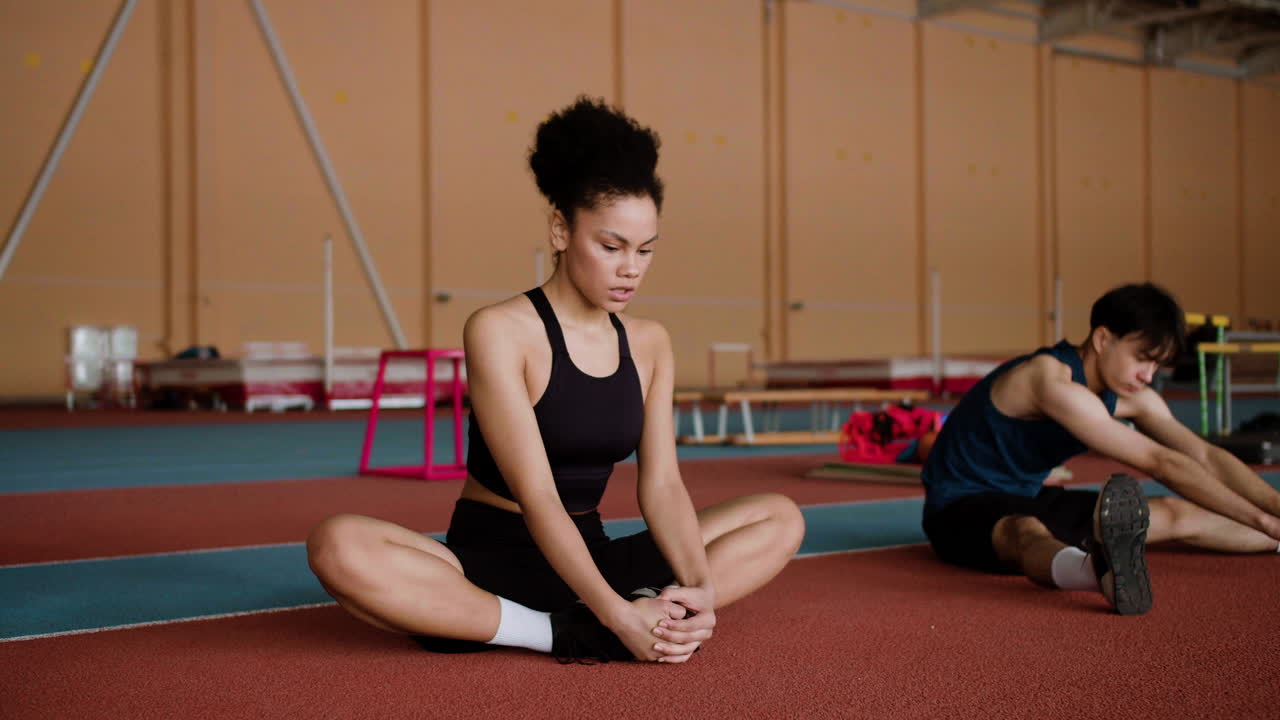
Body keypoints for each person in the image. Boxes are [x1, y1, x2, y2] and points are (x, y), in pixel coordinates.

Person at [306, 97, 805, 663]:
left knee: (778, 517)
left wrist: (702, 593)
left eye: (645, 250)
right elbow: (538, 496)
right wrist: (614, 616)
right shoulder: (500, 330)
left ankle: (651, 616)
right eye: (611, 246)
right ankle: (555, 632)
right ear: (561, 230)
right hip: (488, 567)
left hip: (591, 555)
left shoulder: (650, 343)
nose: (630, 268)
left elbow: (662, 485)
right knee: (338, 543)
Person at [921, 283, 1280, 615]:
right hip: (958, 506)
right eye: (1142, 357)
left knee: (1174, 512)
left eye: (1156, 364)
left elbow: (1204, 455)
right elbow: (1160, 462)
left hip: (1027, 495)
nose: (1148, 375)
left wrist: (1274, 512)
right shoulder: (1047, 380)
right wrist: (1261, 519)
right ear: (1103, 338)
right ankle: (1094, 571)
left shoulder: (1132, 397)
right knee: (1025, 529)